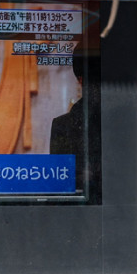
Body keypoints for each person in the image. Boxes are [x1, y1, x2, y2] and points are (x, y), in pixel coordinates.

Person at [49, 41, 101, 195]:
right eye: (94, 76)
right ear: (81, 80)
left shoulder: (63, 124)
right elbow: (60, 182)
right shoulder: (63, 125)